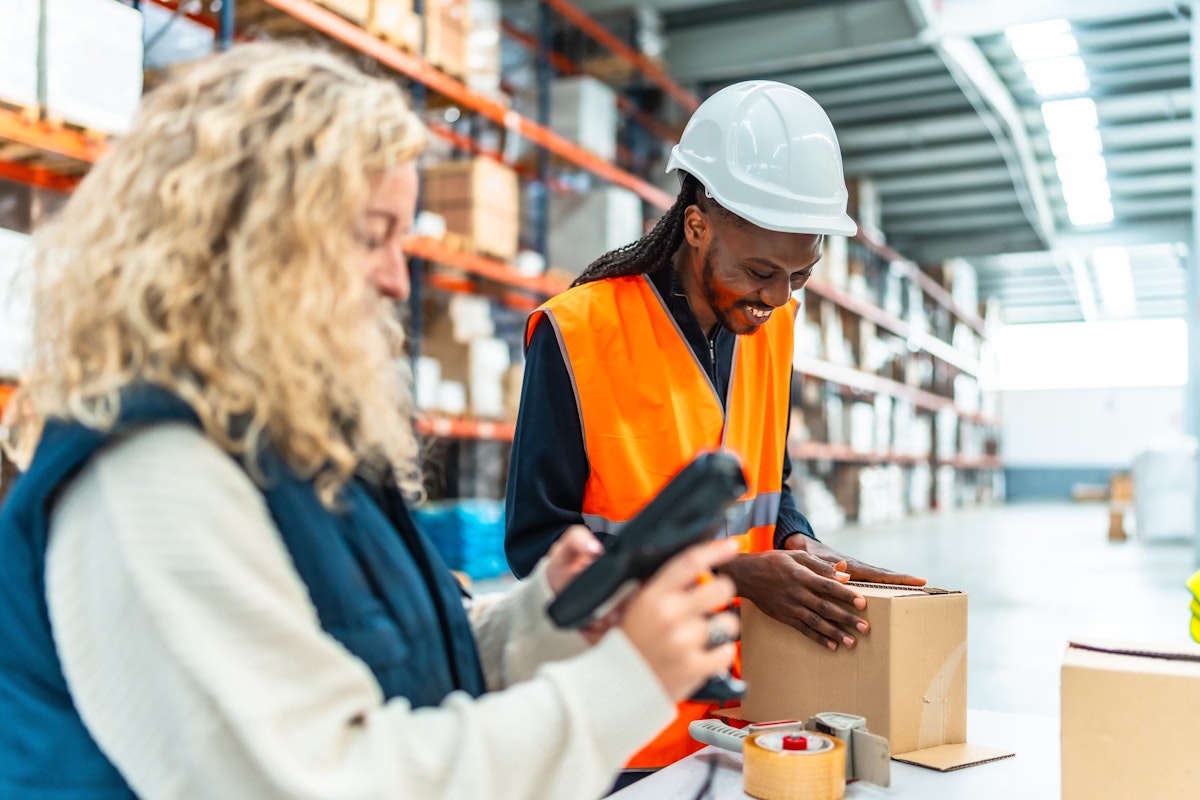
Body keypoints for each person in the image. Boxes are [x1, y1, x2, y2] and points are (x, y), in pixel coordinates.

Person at [0, 44, 742, 800]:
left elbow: (400, 663)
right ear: (249, 243)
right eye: (372, 234)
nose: (396, 278)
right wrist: (625, 684)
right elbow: (334, 778)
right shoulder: (152, 479)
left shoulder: (288, 445)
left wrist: (544, 619)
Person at [504, 80, 927, 770]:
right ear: (697, 223)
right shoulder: (579, 334)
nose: (778, 298)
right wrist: (732, 574)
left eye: (801, 274)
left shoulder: (775, 325)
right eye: (761, 271)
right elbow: (537, 546)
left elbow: (772, 477)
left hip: (749, 717)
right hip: (622, 732)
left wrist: (796, 538)